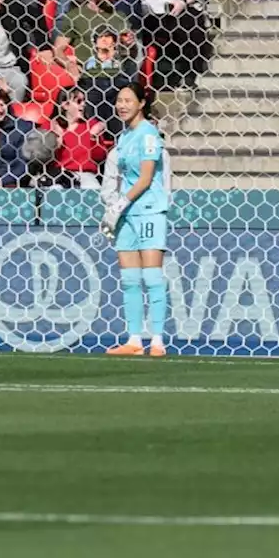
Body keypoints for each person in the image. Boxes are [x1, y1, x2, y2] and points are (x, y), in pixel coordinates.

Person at [100, 83, 172, 357]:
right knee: (129, 279)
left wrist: (119, 205)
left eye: (128, 100)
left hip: (149, 209)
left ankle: (157, 341)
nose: (122, 105)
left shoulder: (149, 135)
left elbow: (145, 179)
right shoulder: (124, 137)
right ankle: (133, 340)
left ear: (142, 103)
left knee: (152, 276)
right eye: (119, 100)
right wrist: (114, 210)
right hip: (127, 214)